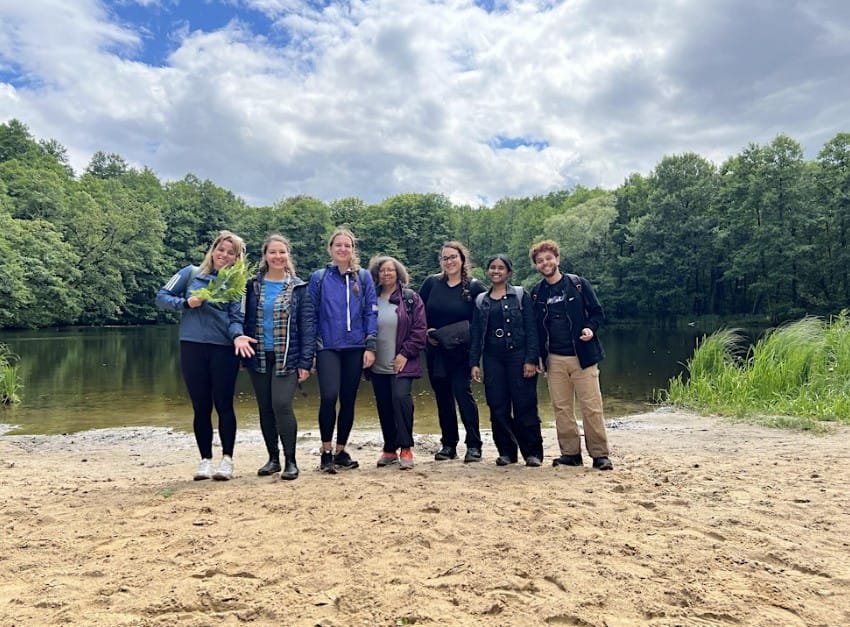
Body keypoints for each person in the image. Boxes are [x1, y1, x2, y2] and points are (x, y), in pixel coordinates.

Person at [155, 230, 256, 481]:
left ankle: (227, 460)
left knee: (224, 405)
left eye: (231, 253)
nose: (224, 255)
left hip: (223, 349)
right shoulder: (190, 273)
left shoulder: (238, 285)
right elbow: (161, 297)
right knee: (201, 406)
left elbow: (236, 318)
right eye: (221, 249)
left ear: (237, 259)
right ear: (212, 250)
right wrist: (185, 303)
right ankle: (205, 461)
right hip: (192, 346)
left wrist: (238, 336)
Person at [529, 240, 613, 470]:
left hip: (583, 356)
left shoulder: (577, 284)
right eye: (540, 261)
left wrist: (590, 328)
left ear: (557, 259)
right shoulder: (536, 293)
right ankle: (570, 453)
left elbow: (597, 313)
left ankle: (600, 455)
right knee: (562, 408)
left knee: (592, 407)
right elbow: (535, 329)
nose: (545, 263)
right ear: (536, 265)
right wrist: (537, 357)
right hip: (554, 359)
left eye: (548, 258)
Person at [242, 234, 316, 481]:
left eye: (282, 252)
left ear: (288, 255)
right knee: (265, 408)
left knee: (282, 405)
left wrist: (306, 362)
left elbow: (307, 327)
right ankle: (272, 459)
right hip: (259, 356)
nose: (277, 256)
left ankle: (290, 461)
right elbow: (243, 319)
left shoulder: (299, 287)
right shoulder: (252, 286)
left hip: (288, 357)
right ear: (265, 255)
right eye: (272, 252)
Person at [308, 228, 378, 473]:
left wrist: (370, 345)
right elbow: (311, 314)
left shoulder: (364, 277)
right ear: (330, 249)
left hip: (355, 347)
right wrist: (311, 350)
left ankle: (340, 451)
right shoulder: (319, 277)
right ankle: (326, 451)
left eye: (347, 245)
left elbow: (371, 311)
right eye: (338, 245)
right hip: (327, 346)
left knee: (348, 399)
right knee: (329, 396)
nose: (342, 249)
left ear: (352, 249)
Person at [470, 254, 543, 467]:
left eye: (501, 268)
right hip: (492, 358)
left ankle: (532, 453)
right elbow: (476, 334)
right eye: (492, 267)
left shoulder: (520, 295)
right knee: (497, 406)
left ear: (509, 272)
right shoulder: (481, 300)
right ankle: (507, 452)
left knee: (524, 405)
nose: (496, 271)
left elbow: (532, 329)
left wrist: (531, 359)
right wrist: (474, 362)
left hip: (518, 356)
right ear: (488, 271)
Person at [419, 241, 486, 462]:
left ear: (462, 259)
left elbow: (482, 320)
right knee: (443, 398)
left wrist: (476, 354)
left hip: (461, 352)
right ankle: (448, 445)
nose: (449, 262)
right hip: (436, 351)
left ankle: (474, 445)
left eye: (453, 257)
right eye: (445, 258)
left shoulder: (474, 287)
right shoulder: (431, 284)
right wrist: (426, 332)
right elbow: (418, 313)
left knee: (463, 395)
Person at [367, 256, 428, 470]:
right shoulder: (370, 298)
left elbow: (420, 330)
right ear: (377, 274)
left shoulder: (410, 299)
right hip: (377, 364)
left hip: (402, 363)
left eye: (390, 270)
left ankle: (406, 448)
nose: (386, 274)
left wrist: (404, 354)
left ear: (398, 273)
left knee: (401, 400)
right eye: (382, 270)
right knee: (384, 406)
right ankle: (390, 449)